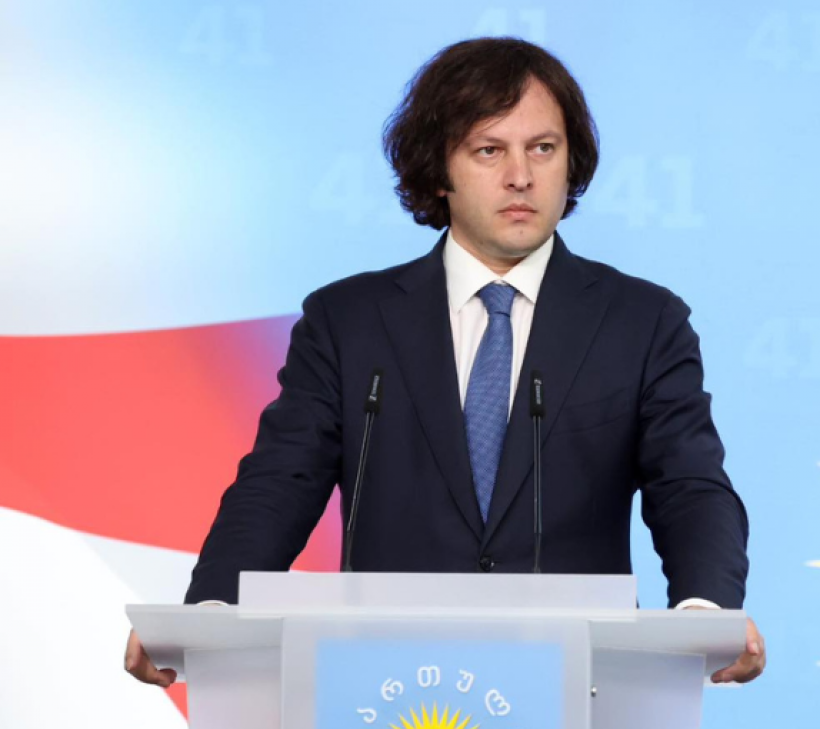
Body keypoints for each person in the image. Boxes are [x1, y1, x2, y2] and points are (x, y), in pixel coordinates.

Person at [126, 37, 764, 687]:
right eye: (490, 150)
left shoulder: (642, 321)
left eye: (543, 148)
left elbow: (689, 485)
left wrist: (705, 612)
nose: (521, 176)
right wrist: (208, 615)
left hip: (581, 683)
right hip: (385, 687)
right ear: (439, 169)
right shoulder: (349, 321)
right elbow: (280, 482)